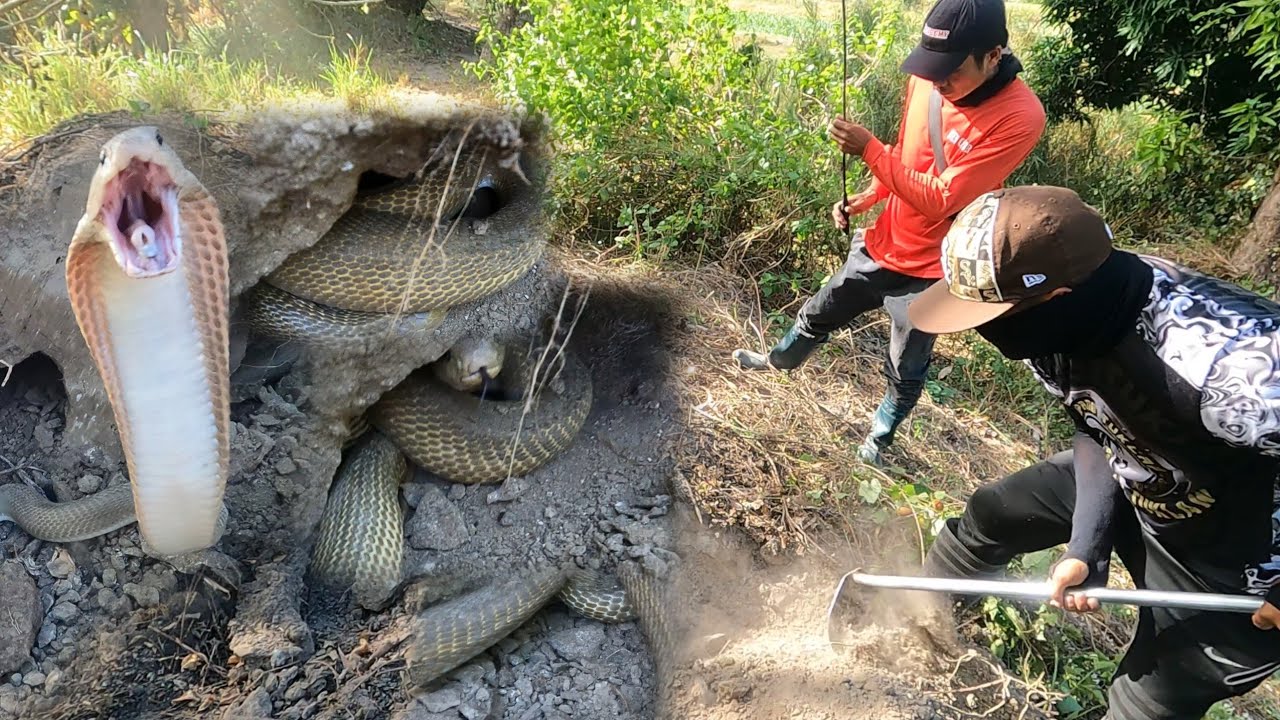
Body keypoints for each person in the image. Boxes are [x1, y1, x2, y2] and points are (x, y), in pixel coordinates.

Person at [908, 184, 1280, 719]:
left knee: (1147, 700)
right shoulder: (1061, 322)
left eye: (990, 318)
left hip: (1238, 564)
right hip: (1146, 478)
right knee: (993, 514)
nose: (981, 332)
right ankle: (917, 622)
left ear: (1057, 297)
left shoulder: (1238, 370)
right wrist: (1089, 544)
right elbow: (1096, 423)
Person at [732, 0, 1047, 466]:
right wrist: (867, 197)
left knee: (906, 365)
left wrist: (868, 150)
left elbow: (942, 197)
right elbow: (907, 153)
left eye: (951, 71)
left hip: (936, 268)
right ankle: (777, 363)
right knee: (819, 311)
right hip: (884, 242)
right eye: (931, 67)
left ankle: (878, 440)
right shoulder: (926, 79)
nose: (937, 82)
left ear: (993, 56)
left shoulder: (1020, 116)